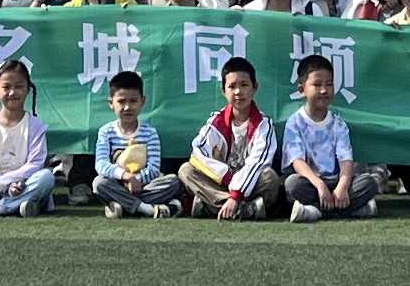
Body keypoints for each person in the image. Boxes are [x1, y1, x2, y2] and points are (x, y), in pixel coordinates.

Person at [182, 54, 282, 219]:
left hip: (248, 187)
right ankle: (244, 210)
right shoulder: (216, 121)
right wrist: (226, 177)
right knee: (186, 170)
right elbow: (198, 153)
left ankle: (212, 207)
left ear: (255, 87)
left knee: (270, 178)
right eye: (232, 86)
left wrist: (236, 194)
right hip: (222, 184)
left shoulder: (264, 125)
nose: (238, 92)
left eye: (244, 85)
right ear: (223, 90)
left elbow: (258, 163)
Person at [281, 50, 369, 219]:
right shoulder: (295, 122)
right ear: (302, 89)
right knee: (292, 184)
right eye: (317, 85)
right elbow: (297, 161)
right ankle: (351, 210)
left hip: (335, 182)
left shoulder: (338, 124)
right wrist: (319, 185)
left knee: (368, 182)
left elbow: (345, 159)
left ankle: (314, 211)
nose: (323, 90)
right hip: (311, 182)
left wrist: (342, 186)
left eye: (329, 84)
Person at [0, 55, 57, 215]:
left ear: (28, 89)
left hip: (25, 184)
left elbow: (35, 164)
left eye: (19, 87)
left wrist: (11, 182)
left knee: (46, 178)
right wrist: (3, 185)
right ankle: (20, 205)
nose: (12, 93)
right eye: (6, 87)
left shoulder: (36, 126)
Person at [91, 67, 171, 215]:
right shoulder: (106, 132)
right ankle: (145, 209)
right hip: (116, 183)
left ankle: (124, 205)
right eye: (121, 101)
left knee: (173, 182)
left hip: (144, 186)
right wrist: (125, 176)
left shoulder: (150, 133)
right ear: (111, 103)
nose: (127, 107)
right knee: (99, 183)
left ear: (142, 101)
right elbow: (101, 165)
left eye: (133, 101)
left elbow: (153, 168)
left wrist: (136, 180)